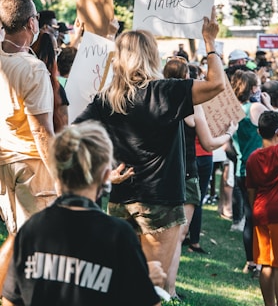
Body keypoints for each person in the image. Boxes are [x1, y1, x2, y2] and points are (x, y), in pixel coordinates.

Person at [73, 7, 225, 280]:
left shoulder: (107, 99)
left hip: (121, 200)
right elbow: (217, 84)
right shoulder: (165, 92)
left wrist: (104, 174)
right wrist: (210, 42)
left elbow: (72, 138)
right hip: (160, 201)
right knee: (153, 284)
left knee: (122, 282)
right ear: (150, 56)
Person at [2, 121, 162, 306]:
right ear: (104, 175)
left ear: (56, 171)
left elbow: (10, 301)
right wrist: (142, 281)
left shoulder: (32, 229)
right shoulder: (119, 235)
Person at [162, 57, 237, 299]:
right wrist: (229, 132)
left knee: (161, 233)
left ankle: (159, 285)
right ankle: (168, 289)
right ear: (186, 77)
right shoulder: (191, 103)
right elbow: (208, 141)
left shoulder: (156, 98)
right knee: (178, 234)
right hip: (186, 172)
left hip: (161, 172)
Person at [0, 0, 56, 234]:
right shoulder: (33, 69)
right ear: (31, 23)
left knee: (19, 244)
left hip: (5, 167)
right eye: (36, 17)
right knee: (40, 249)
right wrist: (61, 175)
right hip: (33, 168)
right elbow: (42, 131)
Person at [246, 111, 278, 306]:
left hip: (261, 212)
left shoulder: (252, 158)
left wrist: (255, 210)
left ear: (259, 132)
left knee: (265, 264)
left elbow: (251, 190)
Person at [230, 69, 273, 275]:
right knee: (262, 216)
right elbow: (276, 126)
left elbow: (226, 146)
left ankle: (251, 262)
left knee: (250, 216)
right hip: (260, 168)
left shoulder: (234, 109)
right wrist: (269, 105)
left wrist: (239, 154)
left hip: (241, 167)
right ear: (253, 88)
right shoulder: (256, 107)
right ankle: (263, 259)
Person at [32, 31, 69, 133]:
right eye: (57, 51)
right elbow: (63, 131)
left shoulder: (19, 78)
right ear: (50, 56)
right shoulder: (55, 88)